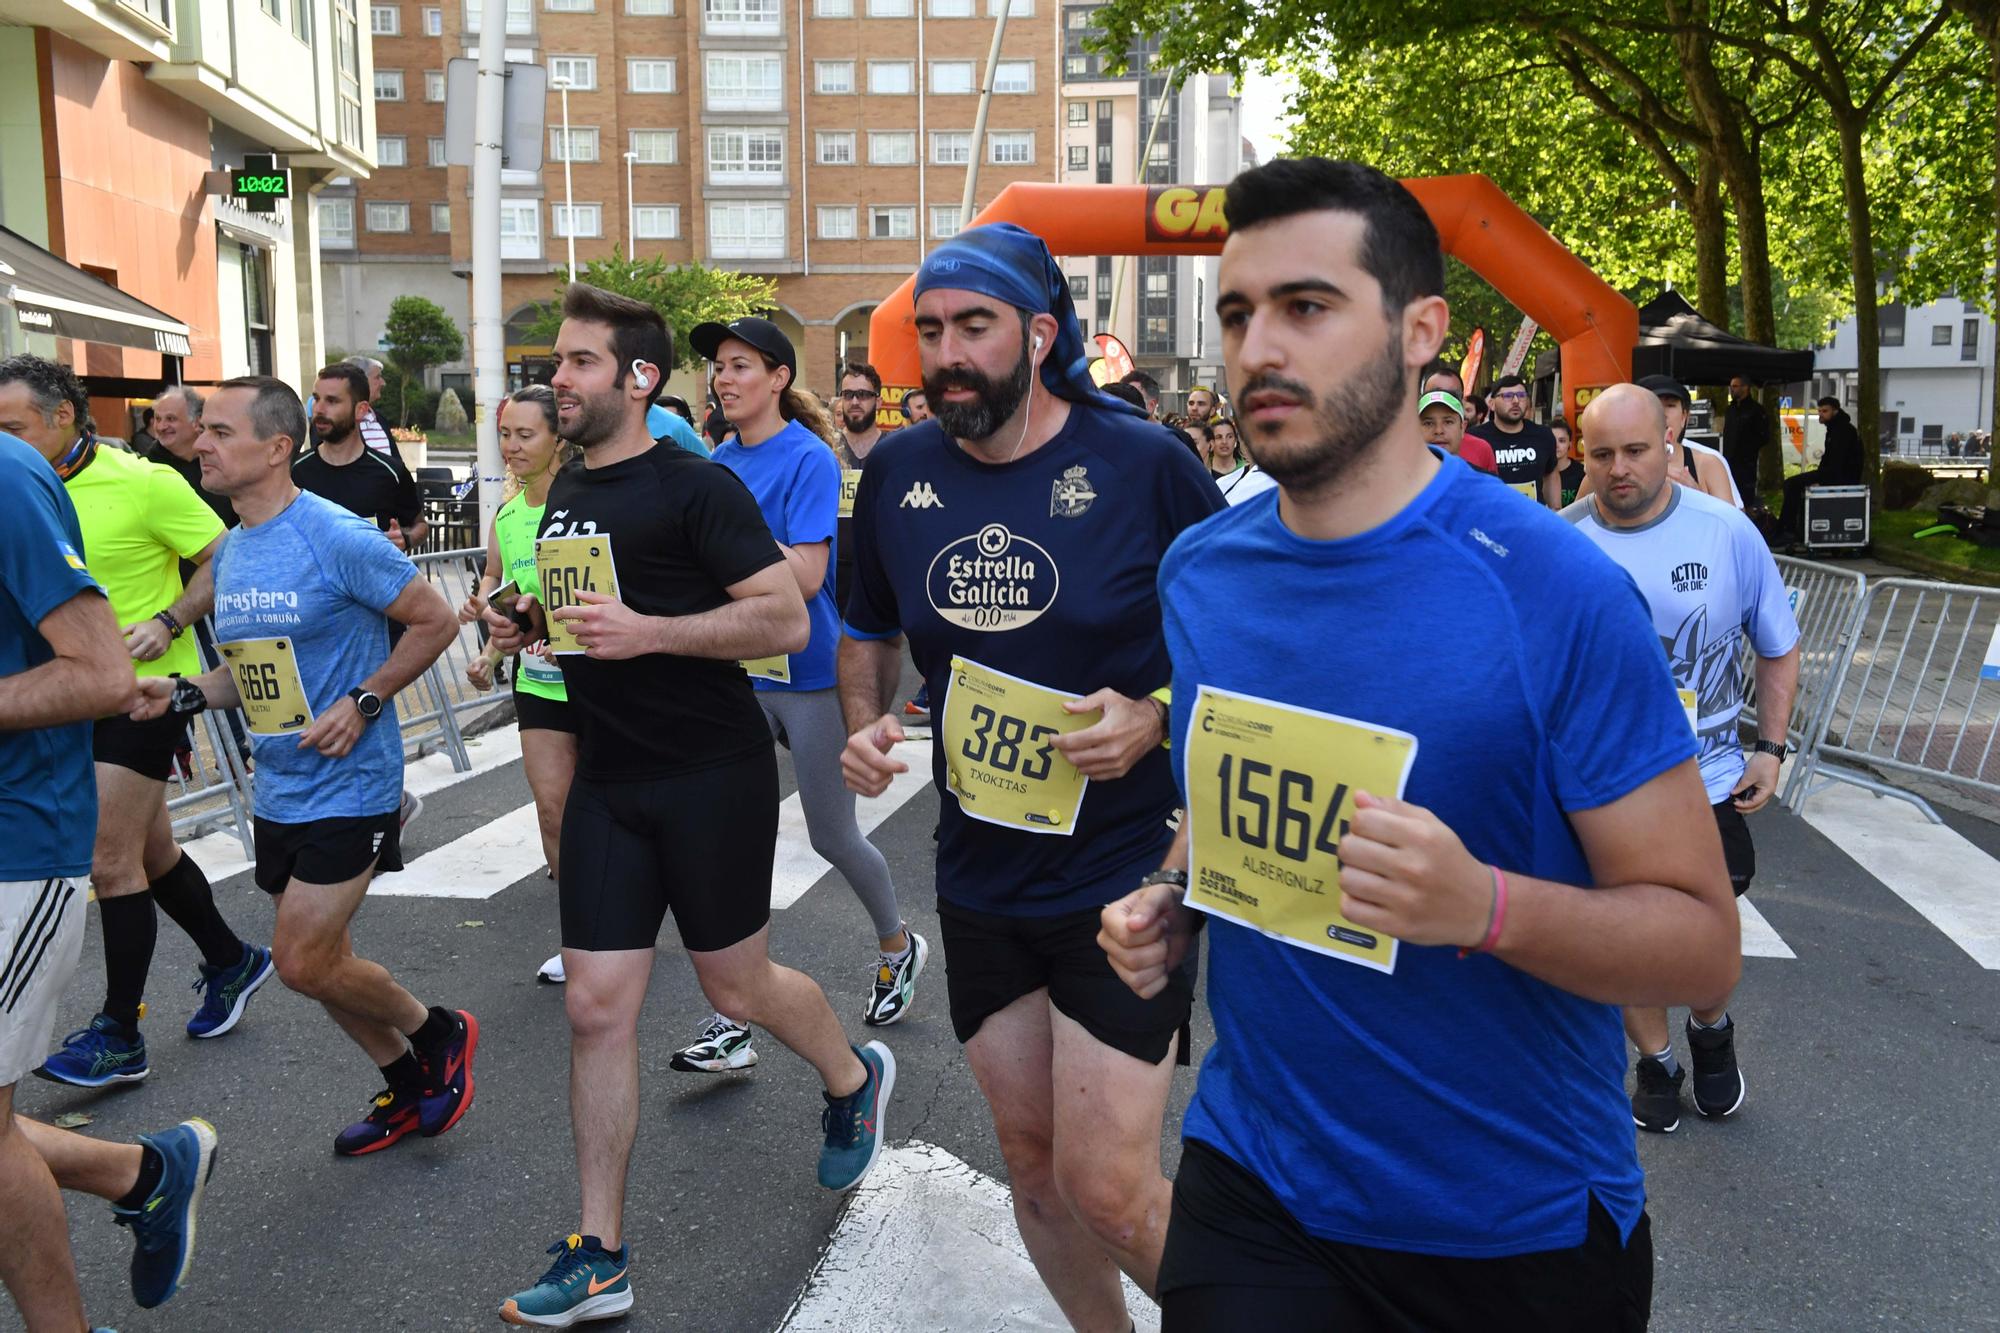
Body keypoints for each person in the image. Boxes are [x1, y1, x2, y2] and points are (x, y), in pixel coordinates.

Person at [1097, 157, 1740, 1331]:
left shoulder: (1553, 590)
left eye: (1306, 306)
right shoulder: (1201, 574)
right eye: (1238, 315)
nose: (1257, 350)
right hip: (1256, 1181)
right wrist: (1178, 895)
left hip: (1509, 1222)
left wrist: (1483, 906)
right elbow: (1235, 799)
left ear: (1417, 330)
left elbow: (1699, 951)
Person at [482, 284, 891, 1327]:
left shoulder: (696, 486)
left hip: (710, 774)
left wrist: (649, 631)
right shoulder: (569, 488)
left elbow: (781, 610)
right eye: (556, 364)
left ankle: (849, 1076)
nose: (557, 380)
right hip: (609, 778)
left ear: (637, 378)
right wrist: (536, 617)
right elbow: (595, 610)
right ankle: (600, 1251)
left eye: (577, 363)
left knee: (738, 985)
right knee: (593, 1004)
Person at [840, 221, 1223, 1330]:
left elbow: (1245, 634)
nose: (945, 353)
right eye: (928, 331)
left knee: (1108, 1182)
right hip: (980, 871)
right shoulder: (900, 469)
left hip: (1123, 869)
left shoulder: (1144, 463)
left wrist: (1152, 716)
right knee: (1034, 1163)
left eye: (973, 326)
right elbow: (863, 627)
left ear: (1036, 333)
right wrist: (865, 723)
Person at [131, 375, 479, 1161]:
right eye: (201, 431)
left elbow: (430, 619)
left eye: (219, 431)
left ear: (276, 446)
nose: (199, 442)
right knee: (325, 964)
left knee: (299, 958)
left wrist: (365, 699)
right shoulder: (239, 547)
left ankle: (439, 1031)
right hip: (281, 782)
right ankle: (404, 1077)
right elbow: (254, 677)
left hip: (352, 782)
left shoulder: (335, 535)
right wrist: (184, 692)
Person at [0, 357, 275, 1093]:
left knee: (107, 859)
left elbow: (226, 553)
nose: (5, 440)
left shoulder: (145, 480)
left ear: (64, 416)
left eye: (13, 426)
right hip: (54, 705)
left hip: (143, 696)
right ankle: (232, 957)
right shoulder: (22, 487)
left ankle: (120, 1032)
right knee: (150, 854)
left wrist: (169, 617)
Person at [0, 426, 222, 1328]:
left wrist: (170, 621)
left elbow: (100, 674)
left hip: (13, 850)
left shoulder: (9, 479)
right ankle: (140, 1170)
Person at [1564, 383, 1801, 1134]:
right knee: (1627, 936)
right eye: (1602, 453)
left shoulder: (1725, 532)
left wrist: (1770, 747)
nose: (1620, 467)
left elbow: (1777, 644)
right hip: (1606, 785)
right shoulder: (1560, 544)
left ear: (1669, 443)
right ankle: (1658, 1061)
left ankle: (1709, 1028)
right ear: (1580, 455)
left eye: (1636, 449)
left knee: (1707, 937)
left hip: (1709, 779)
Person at [698, 317, 926, 1068]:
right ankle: (731, 1011)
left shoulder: (808, 457)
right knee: (730, 837)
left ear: (778, 379)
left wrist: (725, 534)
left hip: (807, 670)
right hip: (735, 669)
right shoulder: (715, 459)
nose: (724, 379)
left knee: (832, 832)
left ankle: (898, 943)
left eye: (739, 366)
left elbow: (801, 575)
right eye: (719, 368)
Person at [459, 386, 577, 987]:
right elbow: (497, 590)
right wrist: (487, 636)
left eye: (525, 434)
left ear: (559, 437)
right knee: (553, 812)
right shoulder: (505, 516)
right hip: (538, 685)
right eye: (505, 434)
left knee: (614, 814)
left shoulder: (587, 504)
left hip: (601, 685)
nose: (511, 447)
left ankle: (627, 924)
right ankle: (582, 941)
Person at [297, 364, 428, 553]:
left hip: (376, 582)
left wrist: (405, 539)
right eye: (317, 399)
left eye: (332, 401)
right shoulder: (295, 472)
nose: (319, 409)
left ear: (361, 410)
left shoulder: (391, 472)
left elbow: (420, 526)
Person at [1639, 375, 1739, 508]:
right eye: (1654, 404)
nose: (1662, 413)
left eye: (1670, 405)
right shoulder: (1621, 465)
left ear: (1684, 417)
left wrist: (1697, 495)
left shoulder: (1708, 464)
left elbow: (1732, 523)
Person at [145, 387, 236, 528]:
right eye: (158, 419)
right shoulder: (148, 468)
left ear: (197, 421)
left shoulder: (222, 459)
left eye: (171, 419)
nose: (162, 426)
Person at [1778, 397, 1864, 544]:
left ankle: (1787, 530)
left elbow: (1838, 462)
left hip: (1840, 476)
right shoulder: (1836, 429)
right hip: (1834, 473)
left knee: (1791, 484)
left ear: (1835, 411)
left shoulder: (1842, 431)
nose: (1821, 414)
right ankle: (1790, 528)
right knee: (1792, 484)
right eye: (1819, 411)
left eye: (1825, 411)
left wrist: (1821, 480)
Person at [1467, 372, 1558, 504]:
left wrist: (1556, 509)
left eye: (1521, 395)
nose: (1516, 401)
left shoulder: (1543, 435)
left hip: (1534, 519)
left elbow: (1551, 473)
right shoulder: (1476, 437)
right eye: (1507, 396)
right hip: (1492, 518)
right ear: (1491, 404)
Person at [1417, 387, 1497, 474]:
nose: (1439, 430)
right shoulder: (1401, 482)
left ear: (1462, 428)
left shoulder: (1482, 482)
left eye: (1448, 422)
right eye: (1428, 423)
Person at [1721, 374, 1769, 509]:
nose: (1732, 389)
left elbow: (1764, 436)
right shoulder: (1730, 409)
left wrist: (1748, 449)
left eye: (1735, 386)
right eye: (1731, 386)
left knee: (1745, 496)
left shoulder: (1756, 410)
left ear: (1745, 388)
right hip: (1729, 459)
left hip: (1746, 462)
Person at [833, 362, 887, 468]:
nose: (854, 402)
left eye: (862, 394)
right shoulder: (828, 448)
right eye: (848, 395)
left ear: (878, 402)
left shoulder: (892, 448)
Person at [1553, 416, 1584, 506]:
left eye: (1562, 441)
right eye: (1552, 440)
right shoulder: (1540, 472)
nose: (1556, 445)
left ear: (1569, 444)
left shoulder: (1581, 472)